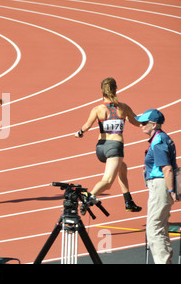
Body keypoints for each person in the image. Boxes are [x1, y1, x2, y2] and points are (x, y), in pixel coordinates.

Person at [75, 77, 141, 213]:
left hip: (101, 149)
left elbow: (87, 125)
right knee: (108, 182)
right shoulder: (123, 107)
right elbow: (137, 122)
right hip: (114, 148)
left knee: (122, 168)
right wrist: (149, 121)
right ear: (116, 89)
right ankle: (89, 196)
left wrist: (80, 132)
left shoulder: (97, 109)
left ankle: (128, 201)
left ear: (101, 91)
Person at [136, 109, 178, 264]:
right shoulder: (160, 138)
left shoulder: (158, 140)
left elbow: (166, 168)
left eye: (144, 123)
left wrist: (171, 190)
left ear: (153, 125)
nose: (140, 125)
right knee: (161, 226)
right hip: (160, 185)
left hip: (161, 186)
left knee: (153, 229)